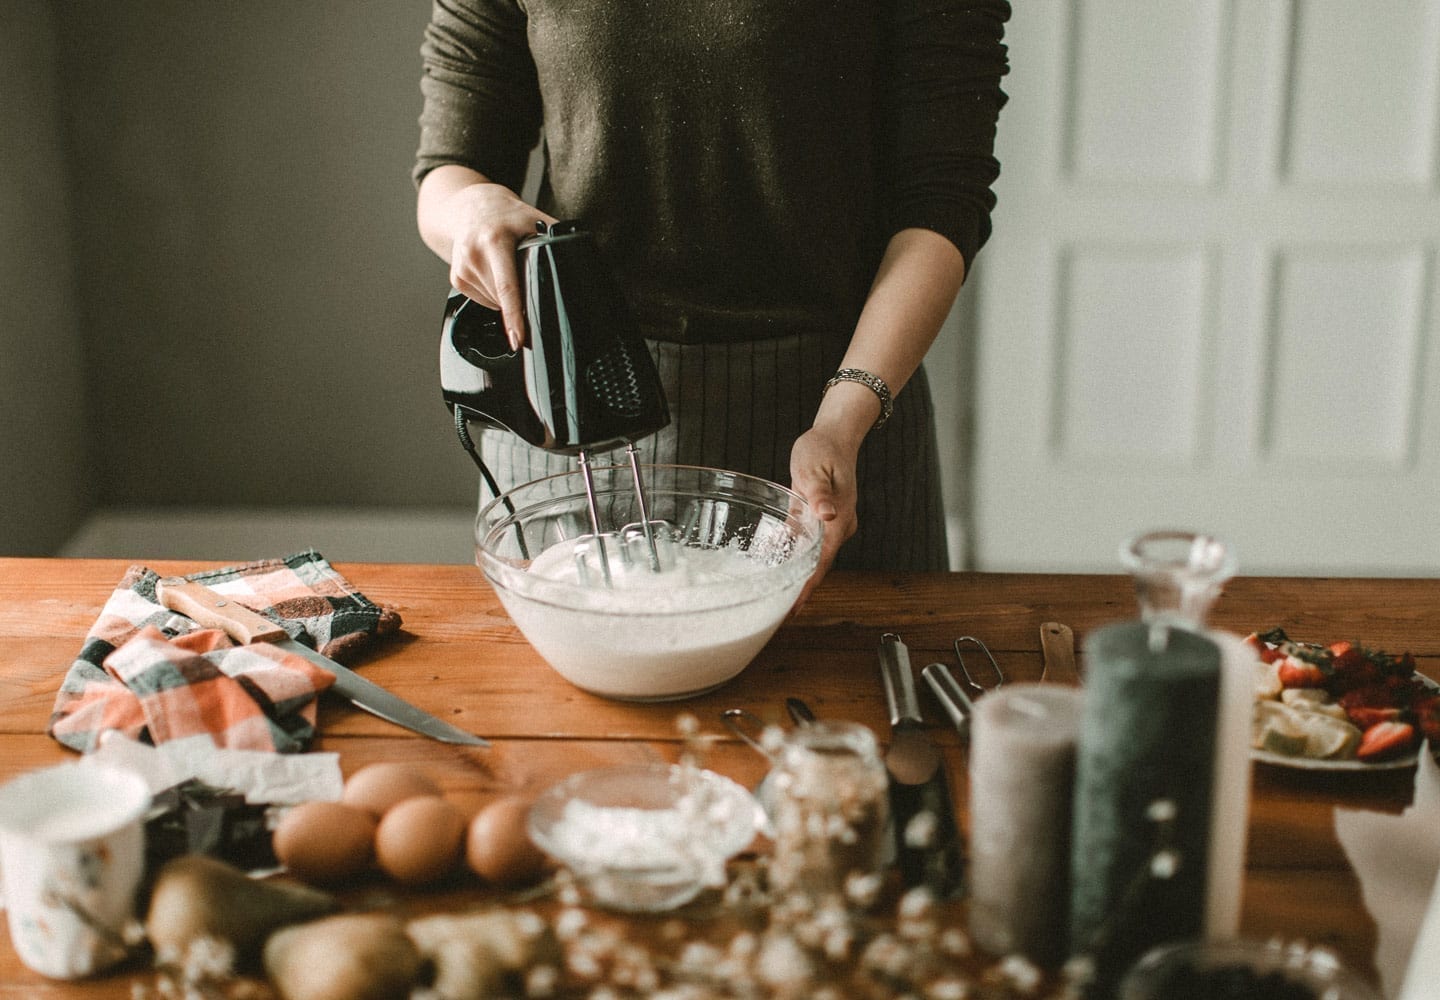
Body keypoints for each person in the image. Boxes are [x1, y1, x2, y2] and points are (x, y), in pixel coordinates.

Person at [414, 0, 1010, 597]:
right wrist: (469, 208)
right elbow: (453, 164)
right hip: (567, 410)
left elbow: (940, 199)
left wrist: (842, 421)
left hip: (837, 411)